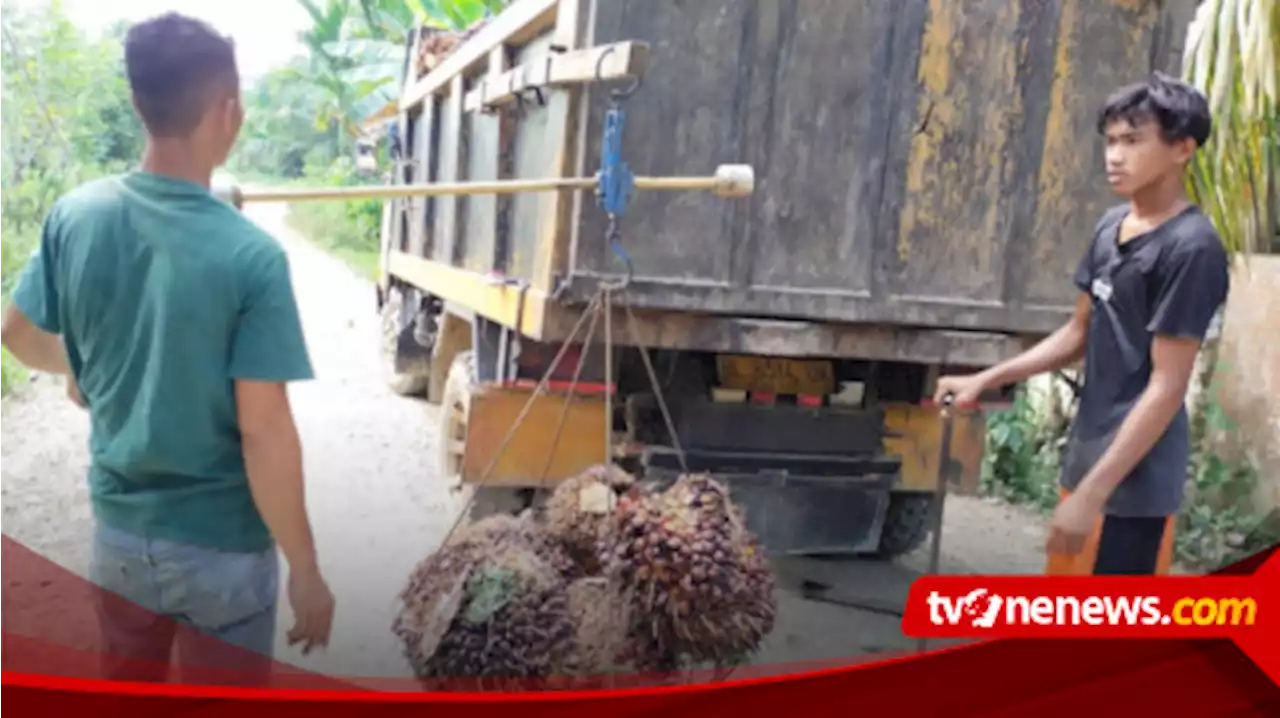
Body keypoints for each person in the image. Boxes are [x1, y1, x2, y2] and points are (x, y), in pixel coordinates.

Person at [0, 13, 334, 683]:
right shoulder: (251, 256)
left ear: (135, 103)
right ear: (229, 111)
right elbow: (263, 430)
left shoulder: (76, 215)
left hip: (120, 539)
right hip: (224, 552)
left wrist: (85, 364)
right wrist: (306, 569)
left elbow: (15, 332)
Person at [933, 72, 1229, 576]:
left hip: (1132, 490)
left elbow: (1167, 387)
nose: (1115, 155)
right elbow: (1079, 333)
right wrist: (984, 380)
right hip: (1090, 461)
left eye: (1133, 141)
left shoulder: (1192, 249)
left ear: (1182, 149)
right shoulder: (1110, 227)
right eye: (1110, 141)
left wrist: (1092, 496)